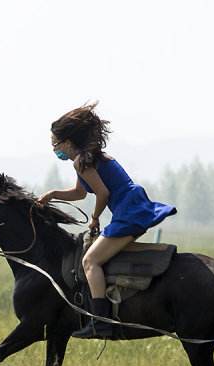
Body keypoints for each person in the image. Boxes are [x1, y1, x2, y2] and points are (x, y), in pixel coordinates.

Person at [37, 102, 177, 339]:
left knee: (90, 261)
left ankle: (101, 324)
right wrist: (52, 195)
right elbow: (80, 192)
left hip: (128, 213)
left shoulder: (81, 160)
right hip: (134, 207)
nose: (54, 149)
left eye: (55, 144)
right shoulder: (88, 159)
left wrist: (94, 218)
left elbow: (103, 194)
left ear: (68, 143)